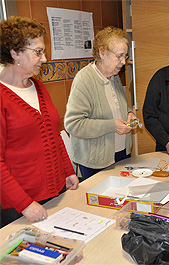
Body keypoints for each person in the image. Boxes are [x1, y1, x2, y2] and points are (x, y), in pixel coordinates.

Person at [0, 16, 79, 227]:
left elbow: (53, 135)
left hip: (54, 192)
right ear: (14, 52)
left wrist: (68, 170)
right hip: (20, 205)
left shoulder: (39, 87)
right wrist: (25, 204)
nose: (44, 59)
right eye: (38, 52)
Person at [64, 26, 137, 180]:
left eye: (125, 56)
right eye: (119, 56)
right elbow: (73, 124)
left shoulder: (114, 76)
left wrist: (130, 114)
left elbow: (120, 108)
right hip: (96, 161)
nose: (123, 62)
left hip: (121, 153)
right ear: (102, 53)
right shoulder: (84, 80)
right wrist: (112, 126)